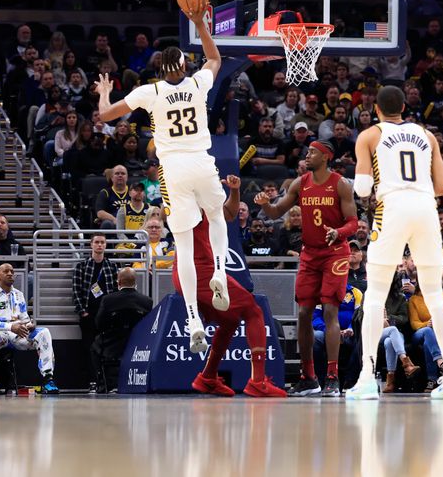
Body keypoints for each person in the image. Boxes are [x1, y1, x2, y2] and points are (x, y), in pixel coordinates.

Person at [96, 4, 229, 355]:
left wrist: (104, 91)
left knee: (183, 244)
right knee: (216, 217)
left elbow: (106, 115)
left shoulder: (150, 92)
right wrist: (200, 24)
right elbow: (214, 59)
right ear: (184, 66)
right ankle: (219, 270)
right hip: (201, 159)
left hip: (172, 169)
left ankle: (192, 320)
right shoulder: (199, 82)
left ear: (159, 68)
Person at [347, 85, 443, 400]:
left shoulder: (370, 135)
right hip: (426, 208)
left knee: (374, 297)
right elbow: (441, 186)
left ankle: (367, 379)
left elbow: (361, 189)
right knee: (436, 296)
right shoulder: (427, 135)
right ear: (404, 109)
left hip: (392, 207)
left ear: (377, 111)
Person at [255, 140, 357, 396]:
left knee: (331, 311)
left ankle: (332, 377)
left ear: (325, 157)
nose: (307, 155)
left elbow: (354, 222)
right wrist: (265, 204)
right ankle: (308, 377)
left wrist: (339, 231)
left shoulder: (340, 184)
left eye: (312, 152)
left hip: (335, 253)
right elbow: (277, 211)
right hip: (310, 254)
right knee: (303, 313)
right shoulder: (300, 183)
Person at [177, 175, 286, 398]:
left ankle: (207, 377)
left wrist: (235, 191)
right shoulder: (189, 203)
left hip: (196, 271)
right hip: (199, 272)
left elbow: (228, 213)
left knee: (230, 321)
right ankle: (258, 381)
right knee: (253, 311)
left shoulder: (202, 202)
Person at [0, 264, 58, 395]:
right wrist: (10, 326)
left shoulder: (18, 295)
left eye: (12, 271)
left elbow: (24, 319)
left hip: (16, 335)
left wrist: (29, 325)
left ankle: (48, 379)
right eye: (6, 271)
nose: (10, 273)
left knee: (44, 332)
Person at [92, 267, 152, 393]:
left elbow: (99, 323)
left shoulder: (108, 300)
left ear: (118, 282)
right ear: (135, 282)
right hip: (137, 345)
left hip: (111, 345)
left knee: (94, 347)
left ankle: (102, 384)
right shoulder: (147, 302)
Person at [72, 233, 118, 392]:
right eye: (97, 242)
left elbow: (115, 291)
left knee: (108, 349)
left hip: (106, 315)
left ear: (106, 245)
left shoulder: (111, 266)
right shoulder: (82, 266)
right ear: (91, 245)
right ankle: (92, 381)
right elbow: (76, 290)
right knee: (89, 349)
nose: (99, 245)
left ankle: (107, 383)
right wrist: (82, 312)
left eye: (102, 242)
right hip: (89, 314)